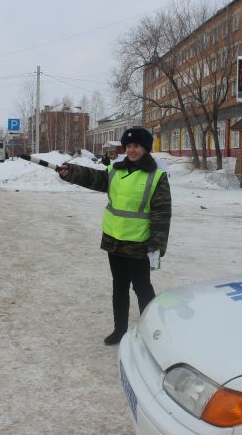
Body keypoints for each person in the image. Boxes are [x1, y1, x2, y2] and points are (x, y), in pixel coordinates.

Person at [56, 127, 171, 345]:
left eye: (136, 146)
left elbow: (162, 213)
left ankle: (154, 333)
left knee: (142, 287)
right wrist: (70, 171)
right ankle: (120, 330)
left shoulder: (156, 177)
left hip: (138, 243)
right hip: (114, 240)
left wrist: (156, 246)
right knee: (119, 286)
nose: (131, 150)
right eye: (128, 146)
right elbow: (95, 178)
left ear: (145, 148)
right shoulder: (116, 171)